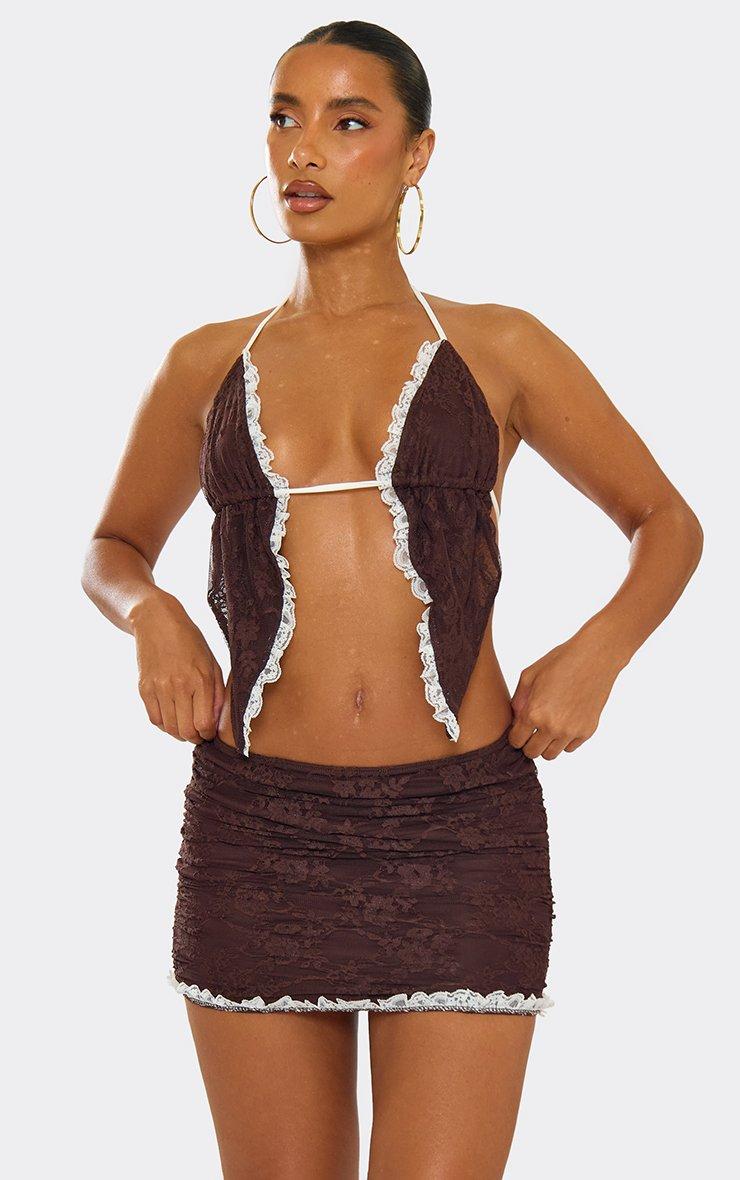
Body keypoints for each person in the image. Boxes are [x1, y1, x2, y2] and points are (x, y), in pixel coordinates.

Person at [80, 19, 703, 1179]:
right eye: (284, 117)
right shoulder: (203, 363)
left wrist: (597, 651)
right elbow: (112, 547)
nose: (303, 149)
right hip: (257, 831)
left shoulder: (498, 346)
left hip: (461, 833)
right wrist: (151, 616)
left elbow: (665, 521)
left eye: (347, 121)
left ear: (417, 153)